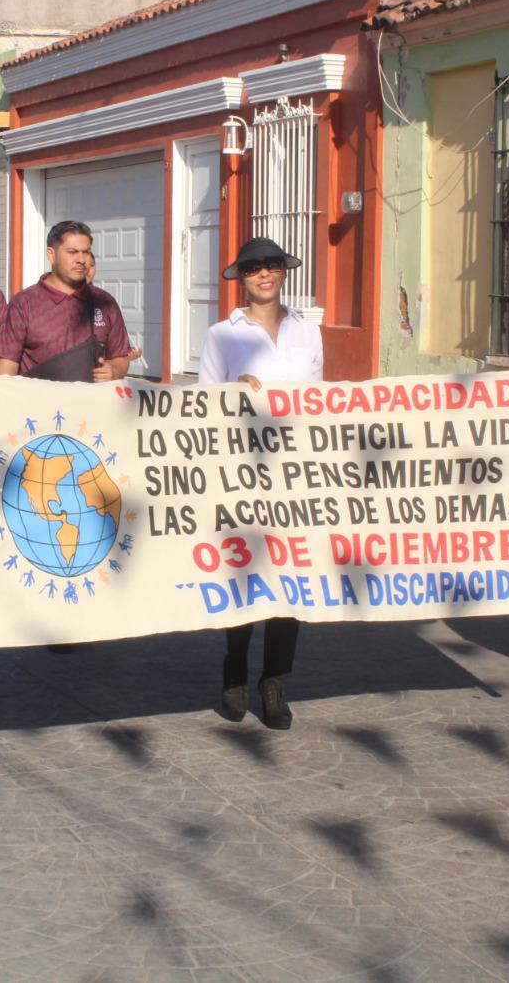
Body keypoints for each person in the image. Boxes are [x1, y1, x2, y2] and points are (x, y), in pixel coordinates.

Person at [196, 238, 323, 729]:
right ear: (242, 279)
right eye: (253, 269)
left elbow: (319, 401)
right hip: (242, 469)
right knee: (245, 569)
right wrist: (232, 394)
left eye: (271, 266)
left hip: (296, 471)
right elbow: (204, 404)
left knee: (290, 575)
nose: (264, 275)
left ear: (283, 272)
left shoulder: (307, 333)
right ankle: (234, 671)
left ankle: (274, 681)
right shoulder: (222, 334)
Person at [0, 221, 131, 382]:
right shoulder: (23, 304)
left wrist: (114, 370)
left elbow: (121, 357)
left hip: (91, 404)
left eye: (86, 252)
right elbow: (5, 374)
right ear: (51, 254)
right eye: (72, 252)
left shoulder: (105, 303)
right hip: (38, 404)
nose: (81, 259)